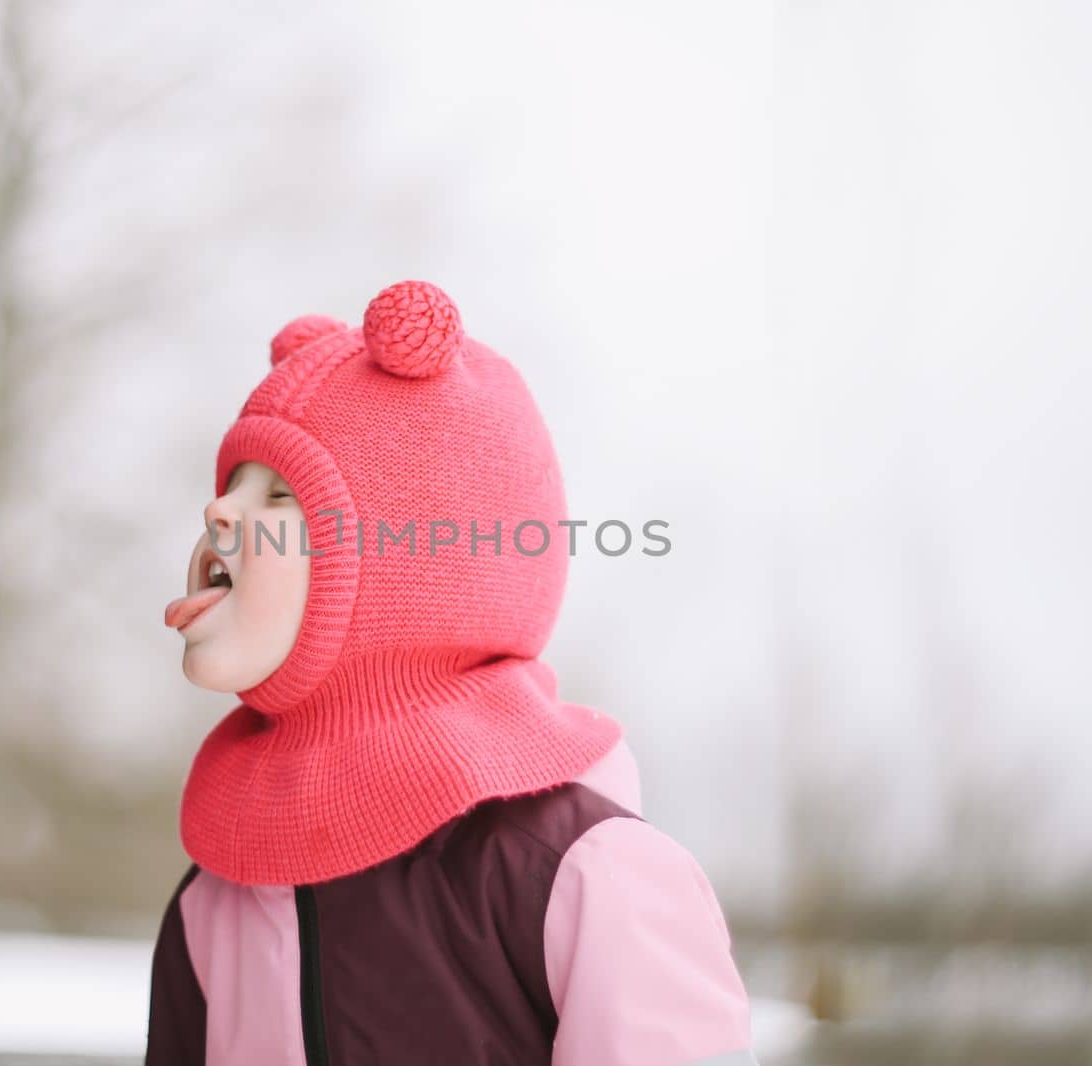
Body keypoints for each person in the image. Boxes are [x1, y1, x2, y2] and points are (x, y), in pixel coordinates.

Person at [148, 280, 759, 1065]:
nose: (220, 513)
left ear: (412, 565)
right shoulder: (222, 898)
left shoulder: (585, 880)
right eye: (229, 486)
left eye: (278, 496)